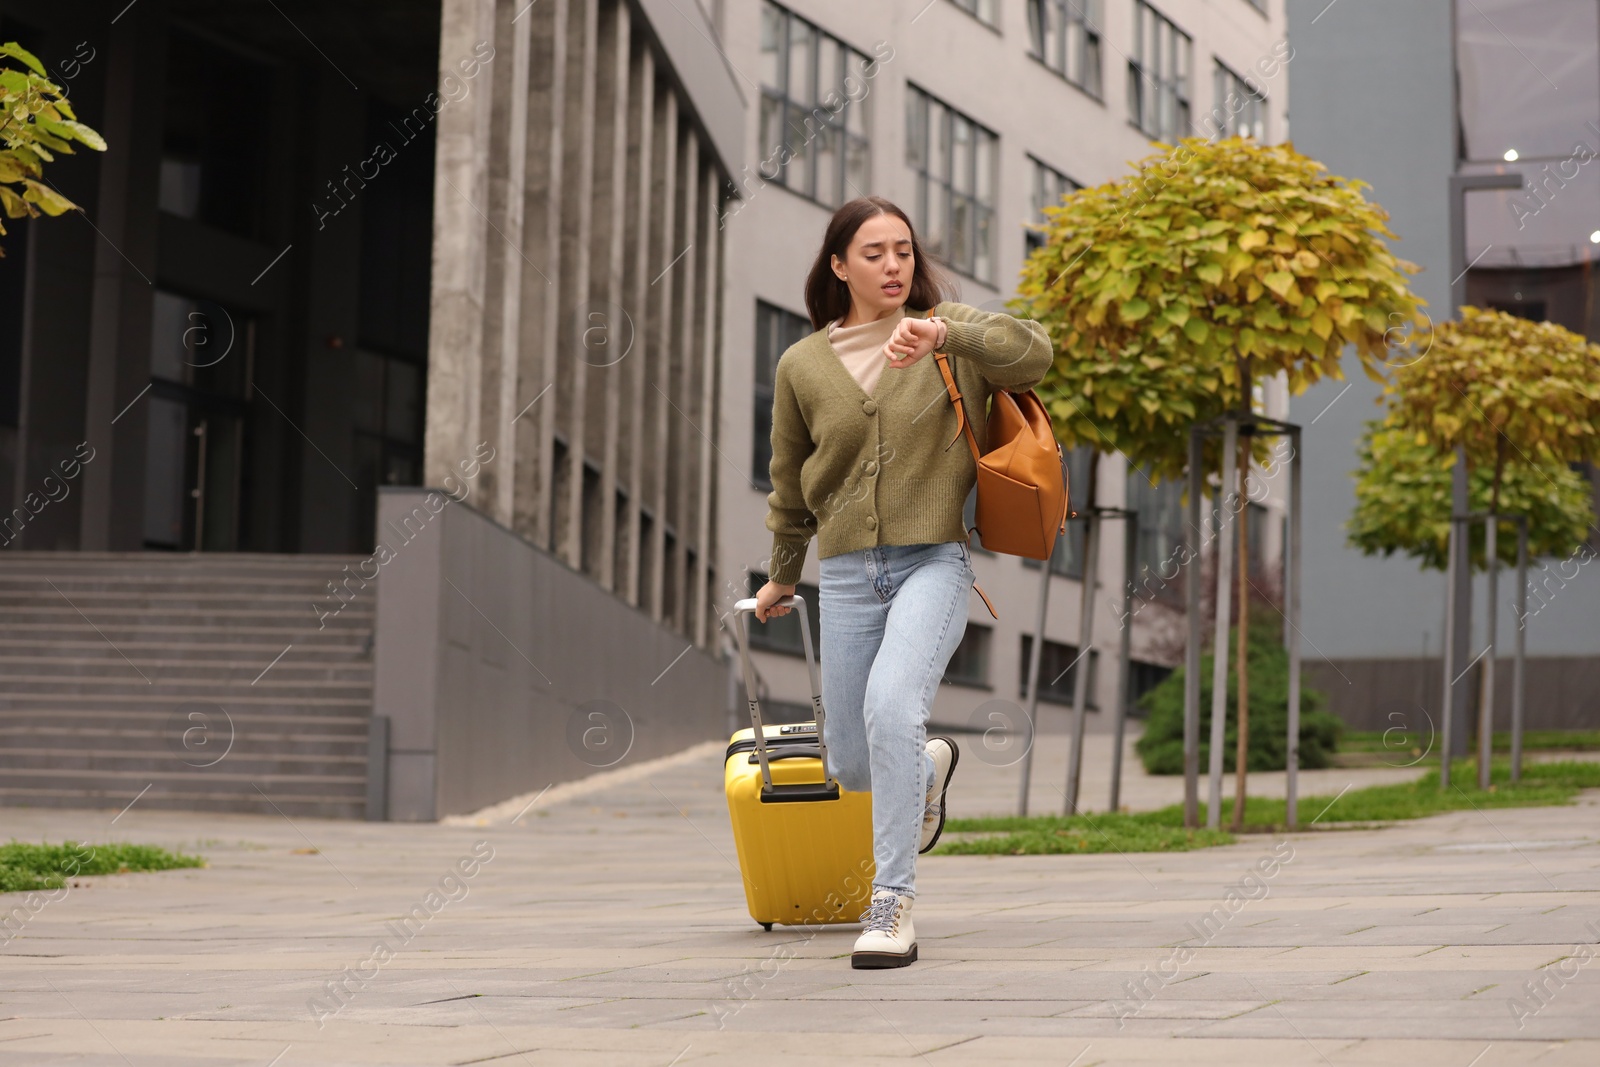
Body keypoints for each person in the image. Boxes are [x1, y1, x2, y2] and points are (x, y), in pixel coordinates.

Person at [751, 195, 1051, 969]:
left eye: (905, 252)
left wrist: (946, 330)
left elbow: (1035, 354)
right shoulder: (802, 364)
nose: (893, 266)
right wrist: (782, 578)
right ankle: (928, 767)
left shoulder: (946, 335)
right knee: (850, 762)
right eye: (875, 252)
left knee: (893, 704)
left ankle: (891, 905)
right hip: (846, 574)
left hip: (934, 563)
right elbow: (789, 484)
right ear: (839, 264)